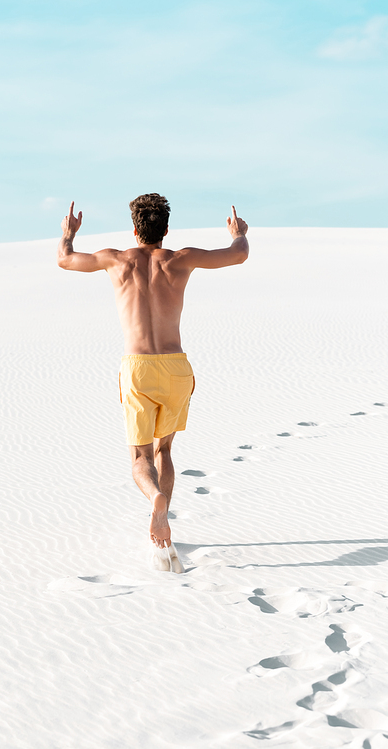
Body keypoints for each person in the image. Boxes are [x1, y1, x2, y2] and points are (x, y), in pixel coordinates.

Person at [57, 194, 249, 571]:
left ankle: (155, 503)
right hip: (176, 366)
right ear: (166, 230)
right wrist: (238, 233)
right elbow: (238, 254)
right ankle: (165, 522)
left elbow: (65, 259)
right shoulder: (182, 258)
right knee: (164, 452)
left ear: (134, 229)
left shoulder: (116, 259)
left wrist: (68, 234)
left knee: (140, 458)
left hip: (138, 366)